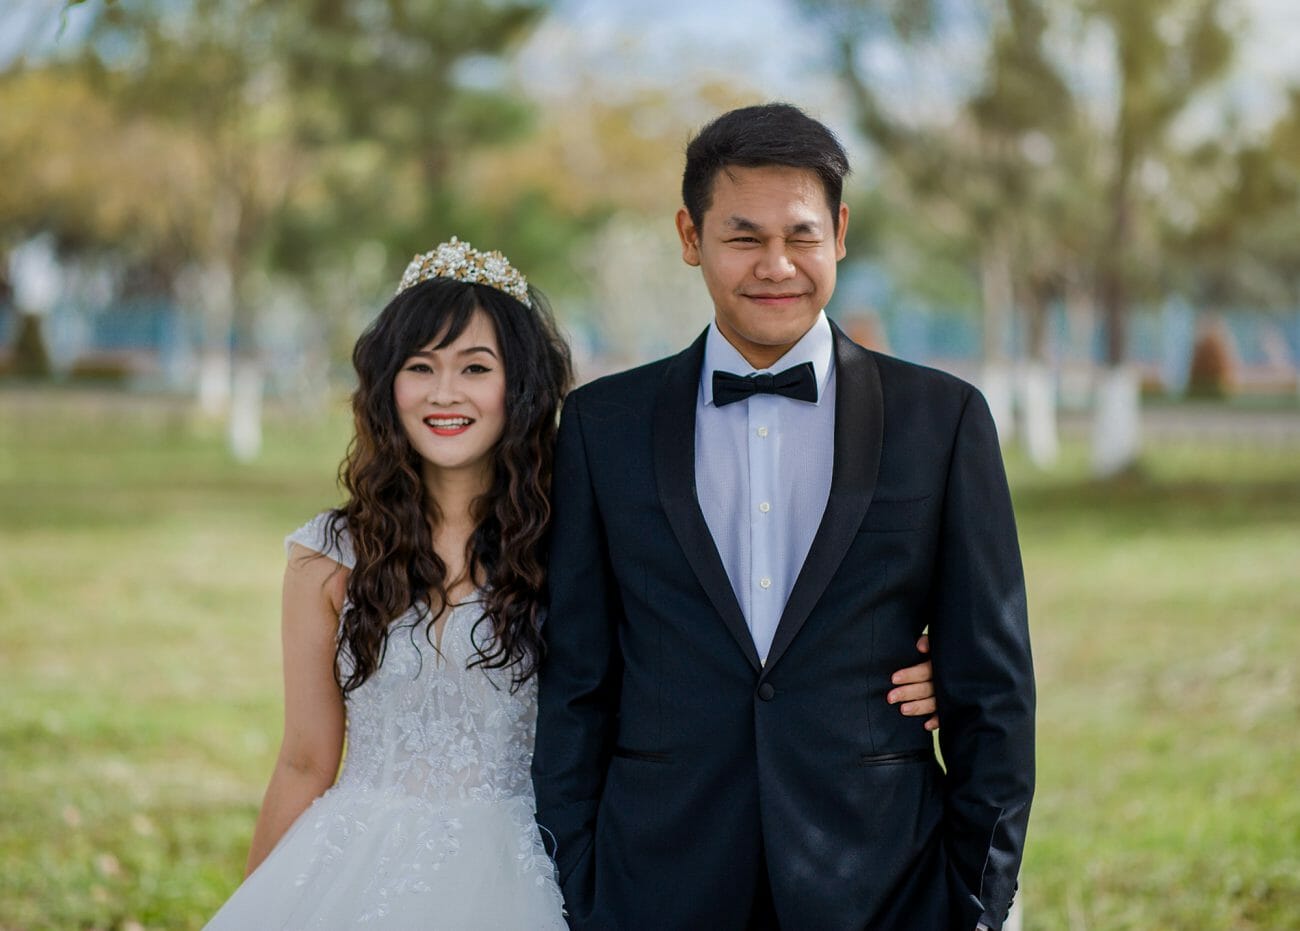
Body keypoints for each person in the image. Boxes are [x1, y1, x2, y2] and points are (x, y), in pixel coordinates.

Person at [206, 236, 939, 929]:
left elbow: (715, 647)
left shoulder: (577, 539)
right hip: (358, 864)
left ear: (516, 385)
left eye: (474, 367)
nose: (444, 392)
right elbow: (304, 759)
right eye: (420, 367)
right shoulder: (326, 556)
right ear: (386, 385)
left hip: (531, 866)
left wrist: (899, 665)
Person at [532, 103, 1035, 931]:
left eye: (800, 234)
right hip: (657, 877)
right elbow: (577, 679)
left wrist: (979, 896)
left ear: (839, 231)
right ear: (690, 237)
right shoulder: (599, 425)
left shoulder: (941, 420)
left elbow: (995, 687)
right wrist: (583, 881)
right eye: (742, 237)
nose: (776, 265)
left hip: (886, 878)